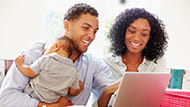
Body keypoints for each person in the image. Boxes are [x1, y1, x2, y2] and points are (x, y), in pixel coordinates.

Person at [0, 3, 111, 107]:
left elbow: (111, 92)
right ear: (67, 26)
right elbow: (6, 99)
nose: (92, 36)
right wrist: (46, 106)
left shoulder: (93, 64)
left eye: (95, 31)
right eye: (86, 28)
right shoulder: (34, 54)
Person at [97, 8, 168, 106]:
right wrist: (109, 90)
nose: (137, 38)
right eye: (131, 31)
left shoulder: (156, 63)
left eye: (144, 34)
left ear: (150, 37)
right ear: (123, 32)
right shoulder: (105, 63)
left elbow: (159, 99)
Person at [14, 36, 84, 104]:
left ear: (56, 46)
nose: (44, 52)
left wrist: (20, 64)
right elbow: (72, 92)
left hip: (34, 94)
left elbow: (30, 72)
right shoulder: (73, 71)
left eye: (46, 49)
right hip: (52, 101)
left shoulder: (47, 59)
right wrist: (79, 87)